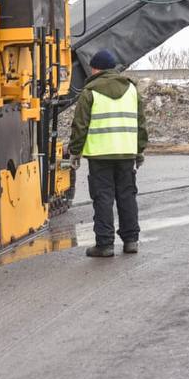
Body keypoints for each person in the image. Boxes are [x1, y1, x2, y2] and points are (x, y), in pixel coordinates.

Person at [69, 49, 147, 257]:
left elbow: (80, 126)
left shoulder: (90, 92)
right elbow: (141, 124)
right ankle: (131, 241)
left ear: (96, 69)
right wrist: (139, 151)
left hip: (100, 155)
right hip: (126, 154)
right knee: (127, 196)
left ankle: (105, 245)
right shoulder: (131, 89)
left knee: (103, 198)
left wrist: (74, 152)